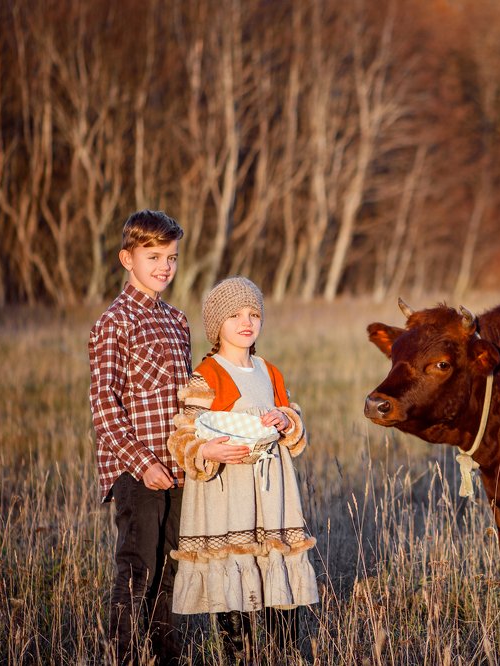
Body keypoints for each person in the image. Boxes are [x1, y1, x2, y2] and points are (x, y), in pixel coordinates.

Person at [166, 276, 318, 660]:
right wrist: (207, 451)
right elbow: (183, 436)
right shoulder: (207, 374)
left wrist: (287, 421)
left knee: (276, 570)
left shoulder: (270, 371)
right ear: (217, 324)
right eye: (234, 315)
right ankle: (240, 654)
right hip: (227, 495)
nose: (246, 321)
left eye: (253, 313)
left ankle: (285, 654)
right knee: (236, 575)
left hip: (271, 494)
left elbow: (294, 424)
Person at [88, 210, 192, 665]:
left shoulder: (178, 321)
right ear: (127, 258)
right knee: (138, 568)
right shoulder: (113, 323)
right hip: (137, 470)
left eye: (171, 257)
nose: (164, 267)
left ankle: (164, 653)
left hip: (179, 468)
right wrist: (143, 462)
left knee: (173, 568)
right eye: (154, 256)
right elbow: (104, 407)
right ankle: (127, 656)